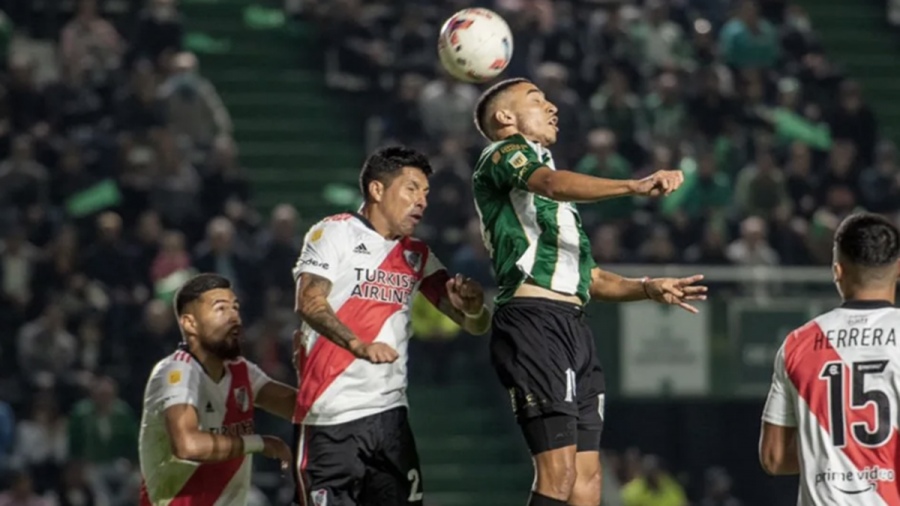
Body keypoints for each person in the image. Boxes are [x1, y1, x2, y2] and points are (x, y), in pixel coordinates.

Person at [471, 77, 708, 506]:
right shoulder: (507, 154)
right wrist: (633, 185)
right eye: (536, 100)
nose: (552, 107)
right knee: (557, 475)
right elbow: (550, 183)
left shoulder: (551, 193)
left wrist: (648, 288)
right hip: (534, 323)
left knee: (587, 481)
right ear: (506, 117)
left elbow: (592, 278)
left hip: (572, 327)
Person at [291, 146, 491, 506]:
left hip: (391, 420)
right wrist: (357, 344)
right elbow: (309, 301)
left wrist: (475, 309)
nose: (422, 201)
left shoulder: (418, 254)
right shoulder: (334, 233)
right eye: (412, 188)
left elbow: (474, 325)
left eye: (426, 193)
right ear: (377, 190)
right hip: (331, 415)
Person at [760, 212, 900, 505]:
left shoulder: (798, 343)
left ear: (837, 270)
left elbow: (773, 458)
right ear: (898, 269)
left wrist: (832, 452)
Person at [138, 273, 296, 506]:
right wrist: (260, 443)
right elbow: (187, 445)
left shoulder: (241, 371)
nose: (234, 317)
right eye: (221, 309)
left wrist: (314, 374)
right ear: (190, 323)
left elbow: (301, 408)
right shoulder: (176, 372)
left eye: (235, 308)